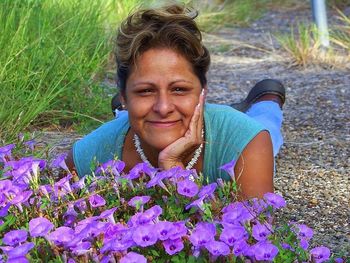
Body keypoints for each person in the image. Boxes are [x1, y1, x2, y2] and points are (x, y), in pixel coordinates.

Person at [66, 4, 285, 200]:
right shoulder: (91, 152)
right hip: (137, 120)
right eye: (145, 90)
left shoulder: (246, 140)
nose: (163, 107)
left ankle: (267, 98)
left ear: (203, 92)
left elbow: (256, 234)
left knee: (266, 122)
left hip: (235, 123)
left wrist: (173, 168)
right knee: (137, 119)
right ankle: (124, 111)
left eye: (179, 89)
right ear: (123, 93)